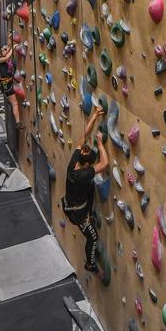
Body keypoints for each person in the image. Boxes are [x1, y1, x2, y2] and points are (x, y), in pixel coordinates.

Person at [62, 105, 109, 273]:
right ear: (88, 165)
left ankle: (88, 212)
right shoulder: (83, 174)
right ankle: (90, 264)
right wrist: (99, 143)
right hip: (78, 214)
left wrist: (95, 115)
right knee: (93, 237)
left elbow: (83, 136)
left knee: (89, 189)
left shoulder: (74, 162)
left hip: (72, 201)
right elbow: (104, 164)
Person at [0, 44, 23, 128]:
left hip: (9, 82)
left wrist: (11, 45)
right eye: (3, 50)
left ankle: (18, 122)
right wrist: (13, 48)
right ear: (0, 54)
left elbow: (7, 51)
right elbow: (7, 56)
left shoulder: (2, 58)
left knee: (14, 103)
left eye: (4, 49)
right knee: (14, 103)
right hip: (6, 84)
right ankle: (18, 123)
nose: (5, 50)